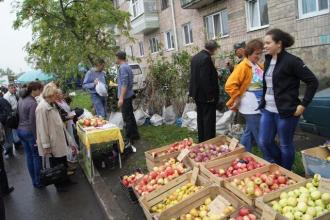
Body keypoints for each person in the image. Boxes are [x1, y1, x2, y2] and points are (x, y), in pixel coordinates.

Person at [258, 29, 319, 170]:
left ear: (279, 44)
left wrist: (303, 105)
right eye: (264, 43)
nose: (264, 46)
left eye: (268, 43)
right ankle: (280, 166)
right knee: (264, 142)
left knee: (285, 144)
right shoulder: (268, 60)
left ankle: (286, 171)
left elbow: (312, 82)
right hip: (268, 109)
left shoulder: (292, 61)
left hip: (286, 112)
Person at [225, 39, 264, 152]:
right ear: (249, 53)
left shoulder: (257, 65)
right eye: (256, 53)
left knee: (249, 131)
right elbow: (229, 85)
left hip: (258, 105)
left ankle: (242, 154)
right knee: (260, 135)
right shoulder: (243, 66)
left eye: (260, 53)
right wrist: (236, 97)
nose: (259, 56)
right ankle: (269, 159)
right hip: (251, 106)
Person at [36, 83, 76, 192]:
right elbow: (42, 129)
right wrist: (46, 145)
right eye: (54, 95)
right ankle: (60, 186)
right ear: (49, 95)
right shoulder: (42, 108)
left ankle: (66, 180)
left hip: (59, 137)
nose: (57, 97)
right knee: (56, 164)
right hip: (53, 141)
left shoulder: (51, 104)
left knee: (62, 161)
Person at [189, 40, 220, 143]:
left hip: (197, 94)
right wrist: (210, 96)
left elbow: (194, 76)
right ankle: (209, 141)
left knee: (201, 118)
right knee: (208, 120)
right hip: (206, 96)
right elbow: (204, 78)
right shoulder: (206, 58)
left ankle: (202, 140)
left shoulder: (195, 57)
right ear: (214, 49)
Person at [17, 81, 44, 188]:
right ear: (34, 90)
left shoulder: (21, 99)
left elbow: (18, 115)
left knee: (29, 156)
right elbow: (33, 122)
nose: (41, 91)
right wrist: (37, 138)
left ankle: (34, 180)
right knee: (36, 156)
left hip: (20, 130)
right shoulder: (33, 103)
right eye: (39, 89)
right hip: (29, 132)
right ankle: (38, 181)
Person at [116, 51, 140, 144]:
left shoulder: (123, 67)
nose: (115, 60)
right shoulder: (127, 66)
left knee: (127, 118)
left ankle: (129, 139)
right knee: (130, 116)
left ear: (118, 58)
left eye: (116, 58)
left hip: (125, 97)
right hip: (129, 94)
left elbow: (125, 83)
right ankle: (135, 135)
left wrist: (121, 98)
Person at [54, 89, 79, 164]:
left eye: (62, 94)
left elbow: (68, 109)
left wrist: (72, 113)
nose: (62, 95)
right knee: (69, 140)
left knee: (72, 138)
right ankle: (70, 157)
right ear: (57, 95)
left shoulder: (62, 100)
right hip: (65, 123)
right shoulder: (56, 104)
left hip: (70, 121)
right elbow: (60, 116)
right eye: (61, 94)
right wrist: (68, 117)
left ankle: (74, 155)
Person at [3, 84, 20, 157]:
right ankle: (13, 147)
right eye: (13, 88)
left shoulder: (13, 95)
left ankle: (17, 144)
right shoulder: (6, 96)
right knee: (12, 131)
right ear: (9, 88)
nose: (14, 89)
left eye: (14, 88)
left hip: (15, 113)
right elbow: (7, 108)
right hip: (11, 115)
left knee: (15, 129)